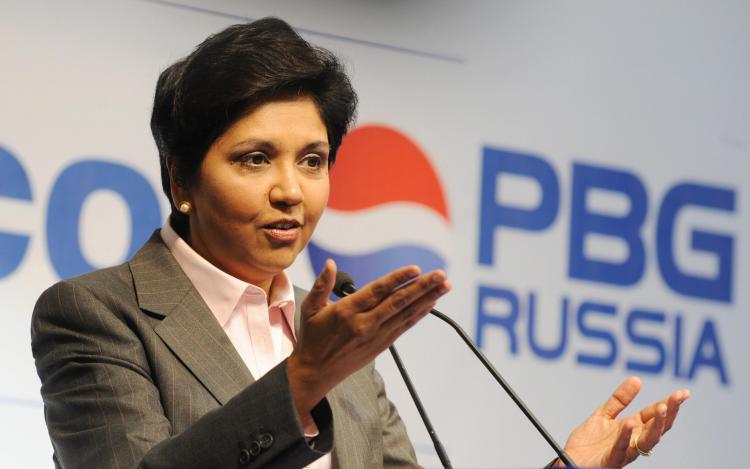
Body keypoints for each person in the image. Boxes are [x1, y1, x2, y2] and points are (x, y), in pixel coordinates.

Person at [31, 17, 689, 469]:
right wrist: (302, 380)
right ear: (181, 178)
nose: (291, 189)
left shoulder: (336, 320)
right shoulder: (94, 313)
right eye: (256, 159)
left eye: (313, 160)